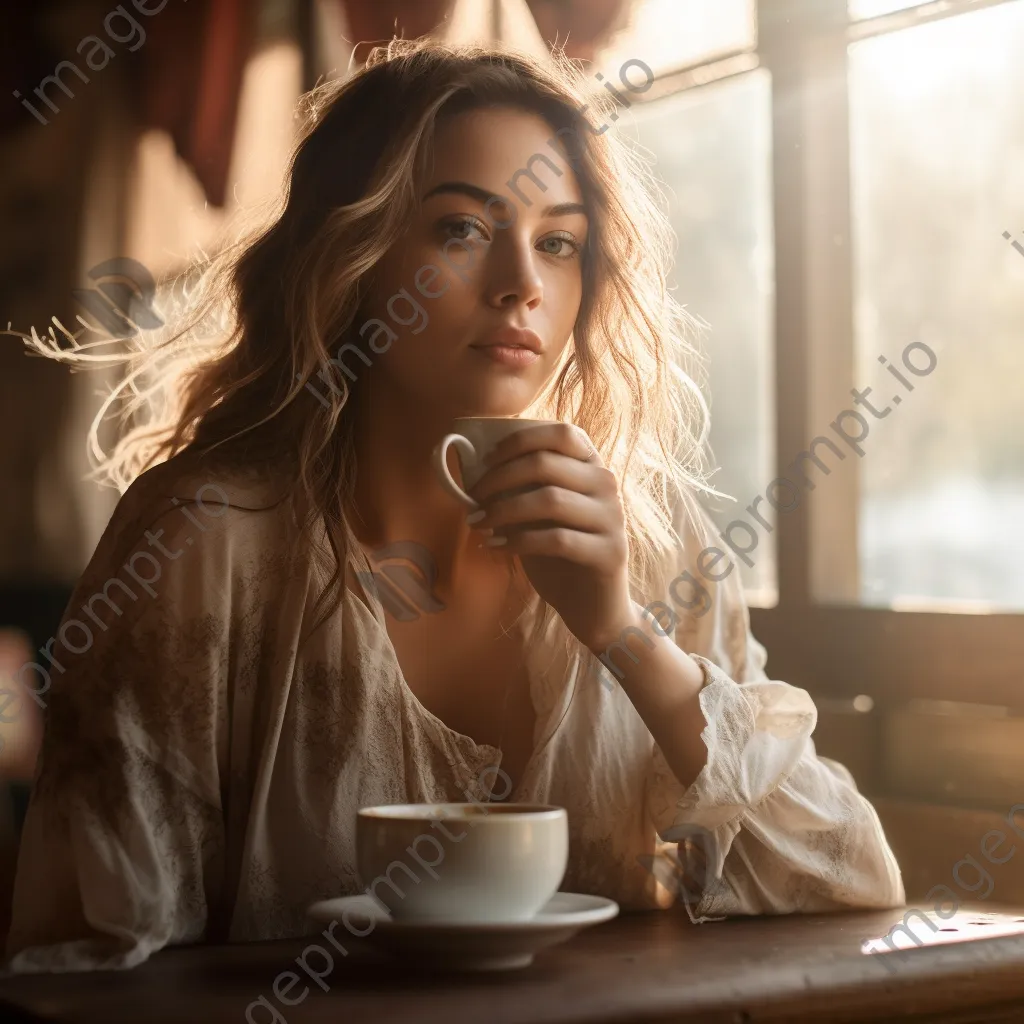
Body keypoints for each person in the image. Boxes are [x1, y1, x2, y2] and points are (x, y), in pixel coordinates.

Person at [5, 39, 903, 972]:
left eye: (559, 242)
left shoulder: (654, 546)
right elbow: (94, 962)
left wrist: (621, 629)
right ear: (351, 255)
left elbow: (845, 879)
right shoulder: (204, 542)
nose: (522, 283)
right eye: (462, 230)